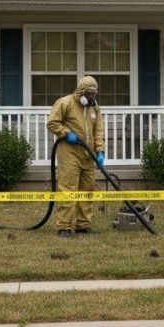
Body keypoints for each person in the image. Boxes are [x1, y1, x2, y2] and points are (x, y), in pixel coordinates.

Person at [47, 75, 105, 237]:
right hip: (70, 153)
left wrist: (100, 150)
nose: (91, 96)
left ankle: (83, 225)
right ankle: (64, 226)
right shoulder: (65, 103)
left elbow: (98, 130)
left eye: (94, 93)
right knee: (68, 189)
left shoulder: (95, 108)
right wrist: (66, 133)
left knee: (88, 189)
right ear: (81, 91)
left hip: (88, 155)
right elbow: (52, 122)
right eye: (89, 93)